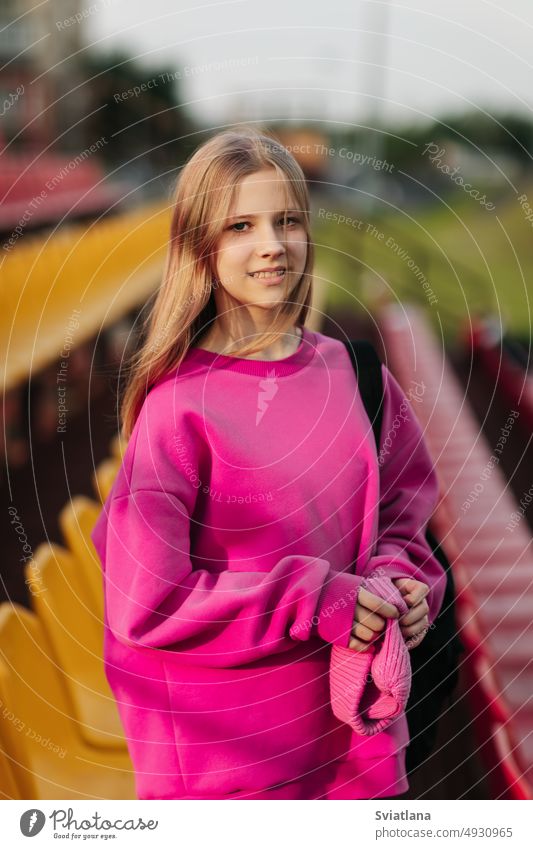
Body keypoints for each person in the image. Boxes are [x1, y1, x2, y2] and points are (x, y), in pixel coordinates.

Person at [91, 126, 446, 800]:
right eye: (241, 226)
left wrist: (404, 583)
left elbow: (406, 513)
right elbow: (146, 602)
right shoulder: (177, 411)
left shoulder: (358, 375)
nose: (271, 244)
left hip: (356, 757)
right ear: (201, 246)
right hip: (232, 771)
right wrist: (317, 600)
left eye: (287, 220)